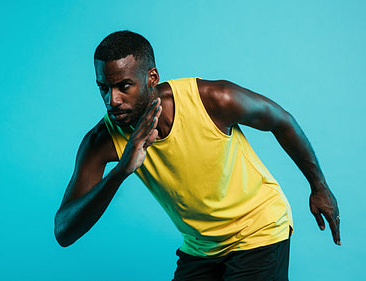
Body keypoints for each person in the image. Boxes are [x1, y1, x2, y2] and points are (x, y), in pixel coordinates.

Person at [54, 30, 340, 280]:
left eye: (124, 86)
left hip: (258, 230)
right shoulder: (101, 141)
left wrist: (319, 187)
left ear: (152, 77)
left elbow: (282, 120)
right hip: (202, 246)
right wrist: (121, 172)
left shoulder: (212, 100)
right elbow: (64, 231)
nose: (112, 100)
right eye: (103, 88)